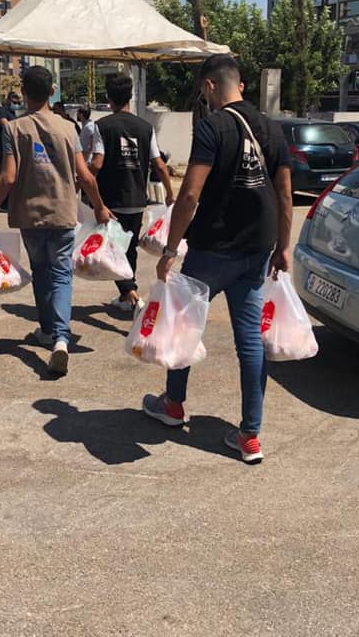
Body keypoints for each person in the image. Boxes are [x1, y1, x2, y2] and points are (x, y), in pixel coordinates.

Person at [141, 55, 293, 465]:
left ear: (209, 87)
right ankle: (251, 436)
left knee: (184, 327)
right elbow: (284, 194)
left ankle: (173, 406)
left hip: (211, 251)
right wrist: (283, 245)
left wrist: (170, 250)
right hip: (256, 250)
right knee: (250, 342)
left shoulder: (211, 127)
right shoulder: (272, 130)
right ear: (240, 85)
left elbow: (189, 194)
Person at [0, 66, 112, 377]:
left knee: (41, 271)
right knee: (62, 275)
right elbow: (85, 175)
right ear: (53, 91)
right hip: (64, 213)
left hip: (30, 215)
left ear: (23, 92)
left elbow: (8, 177)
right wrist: (100, 207)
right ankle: (61, 339)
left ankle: (48, 330)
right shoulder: (69, 128)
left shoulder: (14, 129)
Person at [90, 73, 175, 313]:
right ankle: (127, 296)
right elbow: (159, 164)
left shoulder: (102, 126)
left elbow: (96, 163)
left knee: (115, 251)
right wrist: (169, 193)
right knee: (128, 250)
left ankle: (134, 297)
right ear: (131, 96)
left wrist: (83, 182)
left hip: (112, 202)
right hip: (137, 200)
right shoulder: (146, 127)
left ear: (108, 97)